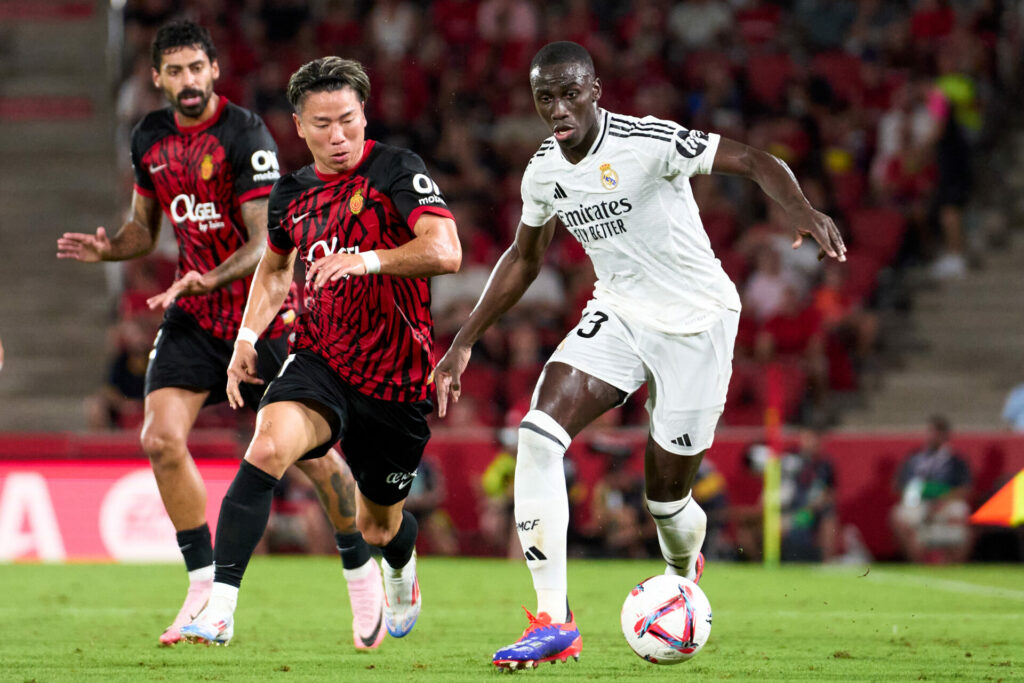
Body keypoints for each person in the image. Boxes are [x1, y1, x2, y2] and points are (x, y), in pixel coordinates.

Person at [433, 41, 846, 670]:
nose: (559, 108)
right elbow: (524, 257)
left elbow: (756, 160)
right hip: (620, 313)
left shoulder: (648, 141)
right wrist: (463, 341)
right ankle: (553, 620)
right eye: (546, 97)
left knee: (666, 502)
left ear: (595, 88)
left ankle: (682, 570)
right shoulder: (544, 170)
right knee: (538, 434)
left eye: (570, 92)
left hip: (697, 325)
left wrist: (802, 209)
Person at [55, 22, 380, 649]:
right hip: (194, 318)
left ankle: (358, 562)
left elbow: (263, 243)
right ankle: (203, 585)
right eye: (174, 71)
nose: (187, 81)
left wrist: (206, 277)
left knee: (312, 459)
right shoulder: (148, 137)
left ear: (213, 70)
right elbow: (144, 232)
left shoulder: (244, 134)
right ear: (157, 78)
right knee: (159, 438)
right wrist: (110, 248)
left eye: (196, 68)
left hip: (261, 318)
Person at [179, 56, 460, 645]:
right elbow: (276, 269)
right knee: (268, 444)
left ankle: (400, 565)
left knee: (377, 525)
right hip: (321, 361)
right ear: (299, 126)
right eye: (323, 123)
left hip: (396, 381)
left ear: (364, 116)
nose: (339, 136)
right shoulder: (291, 194)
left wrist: (368, 260)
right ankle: (221, 607)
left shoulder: (395, 170)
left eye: (349, 120)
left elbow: (446, 250)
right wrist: (247, 339)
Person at [890, 414, 973, 563]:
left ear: (944, 435)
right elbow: (900, 487)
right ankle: (919, 564)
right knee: (898, 515)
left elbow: (965, 489)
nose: (930, 436)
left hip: (947, 502)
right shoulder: (915, 460)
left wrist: (941, 499)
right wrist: (916, 497)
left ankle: (954, 564)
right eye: (929, 432)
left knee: (961, 512)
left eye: (934, 432)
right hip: (918, 502)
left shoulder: (956, 462)